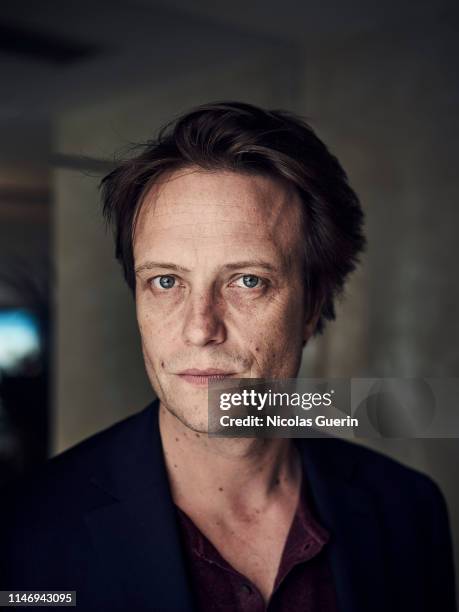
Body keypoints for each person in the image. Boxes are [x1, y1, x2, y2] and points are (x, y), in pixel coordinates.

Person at [0, 102, 455, 611]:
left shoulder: (409, 509)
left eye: (247, 281)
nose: (199, 328)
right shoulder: (24, 530)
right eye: (166, 281)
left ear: (313, 305)